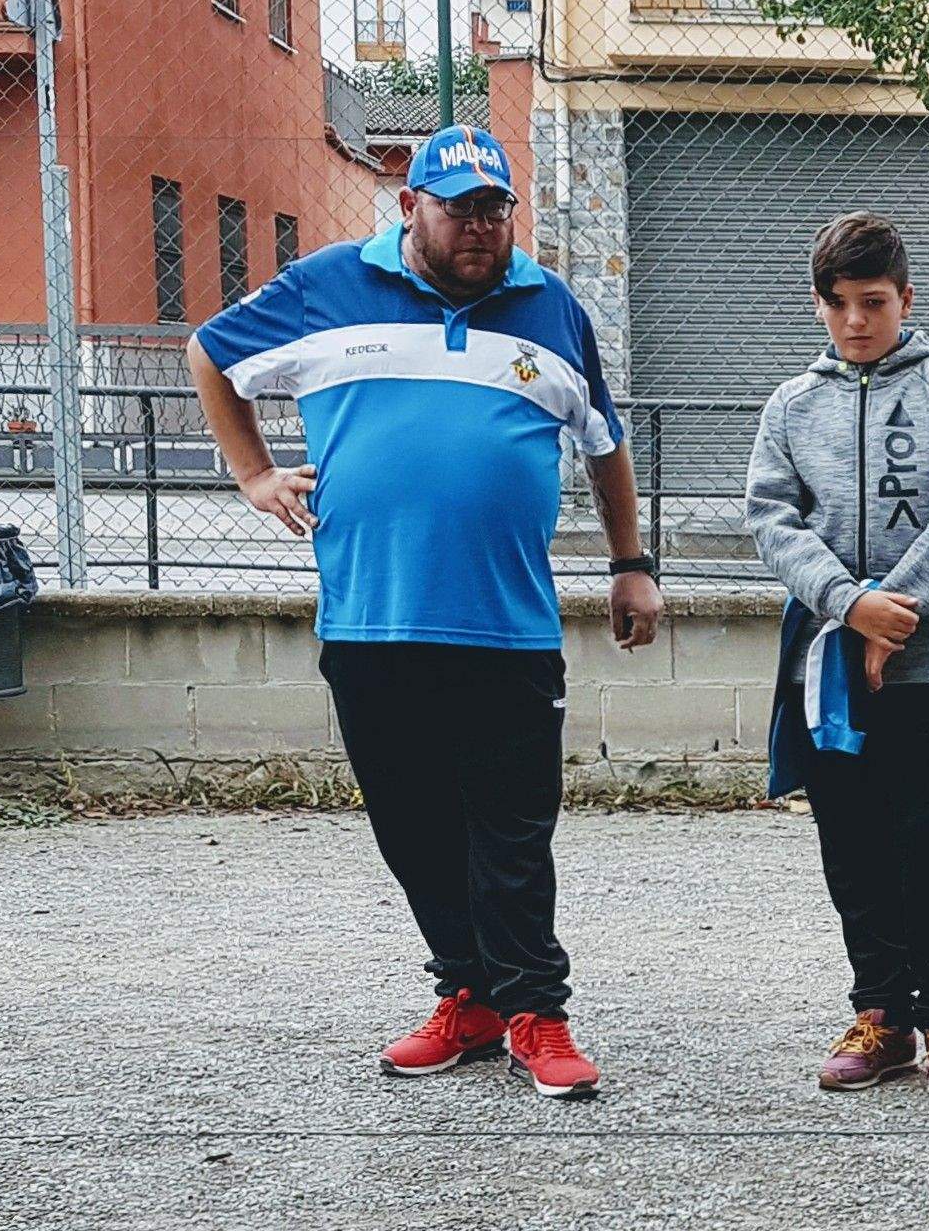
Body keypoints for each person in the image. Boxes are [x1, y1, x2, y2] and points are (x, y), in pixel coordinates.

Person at [186, 124, 663, 1101]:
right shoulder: (327, 289)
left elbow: (604, 441)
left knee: (511, 834)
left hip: (506, 629)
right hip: (370, 625)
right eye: (459, 211)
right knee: (414, 831)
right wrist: (251, 473)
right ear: (411, 207)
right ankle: (470, 997)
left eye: (495, 210)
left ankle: (538, 1013)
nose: (479, 229)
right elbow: (211, 353)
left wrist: (630, 564)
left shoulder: (549, 308)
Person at [745, 212, 929, 1100]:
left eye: (875, 302)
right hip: (830, 666)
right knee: (851, 839)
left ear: (906, 299)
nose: (857, 321)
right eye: (840, 303)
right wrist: (849, 606)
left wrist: (900, 607)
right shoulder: (792, 406)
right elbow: (771, 518)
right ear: (817, 304)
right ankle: (882, 1013)